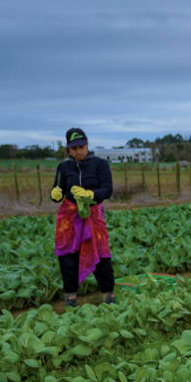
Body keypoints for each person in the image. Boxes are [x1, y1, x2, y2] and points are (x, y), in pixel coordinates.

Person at [49, 128, 116, 308]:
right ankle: (70, 299)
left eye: (81, 146)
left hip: (93, 216)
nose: (78, 151)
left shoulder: (100, 164)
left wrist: (90, 194)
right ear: (68, 149)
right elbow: (58, 189)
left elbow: (107, 190)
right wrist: (54, 194)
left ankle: (108, 296)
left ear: (87, 145)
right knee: (68, 257)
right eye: (73, 148)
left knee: (101, 255)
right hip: (69, 218)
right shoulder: (64, 167)